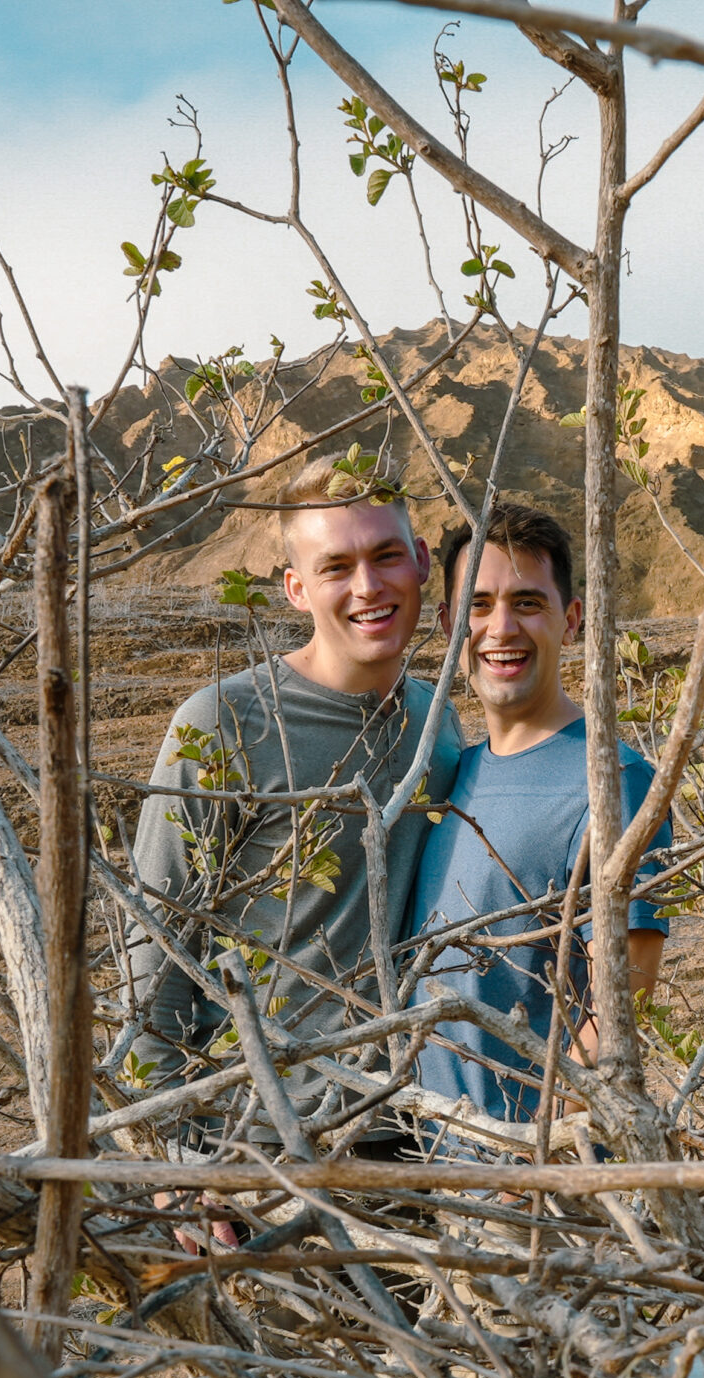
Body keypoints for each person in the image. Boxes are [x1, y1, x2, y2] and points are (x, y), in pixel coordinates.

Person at [120, 450, 463, 1134]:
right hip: (263, 1135)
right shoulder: (222, 724)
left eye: (386, 556)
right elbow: (156, 952)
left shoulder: (437, 717)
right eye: (335, 566)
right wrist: (169, 1156)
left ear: (422, 561)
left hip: (418, 1127)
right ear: (296, 588)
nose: (368, 586)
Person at [402, 501, 669, 1137]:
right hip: (426, 1166)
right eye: (480, 603)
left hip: (527, 1196)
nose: (501, 627)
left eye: (527, 602)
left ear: (570, 620)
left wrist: (530, 1156)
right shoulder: (449, 771)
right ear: (448, 626)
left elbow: (620, 1009)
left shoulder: (614, 783)